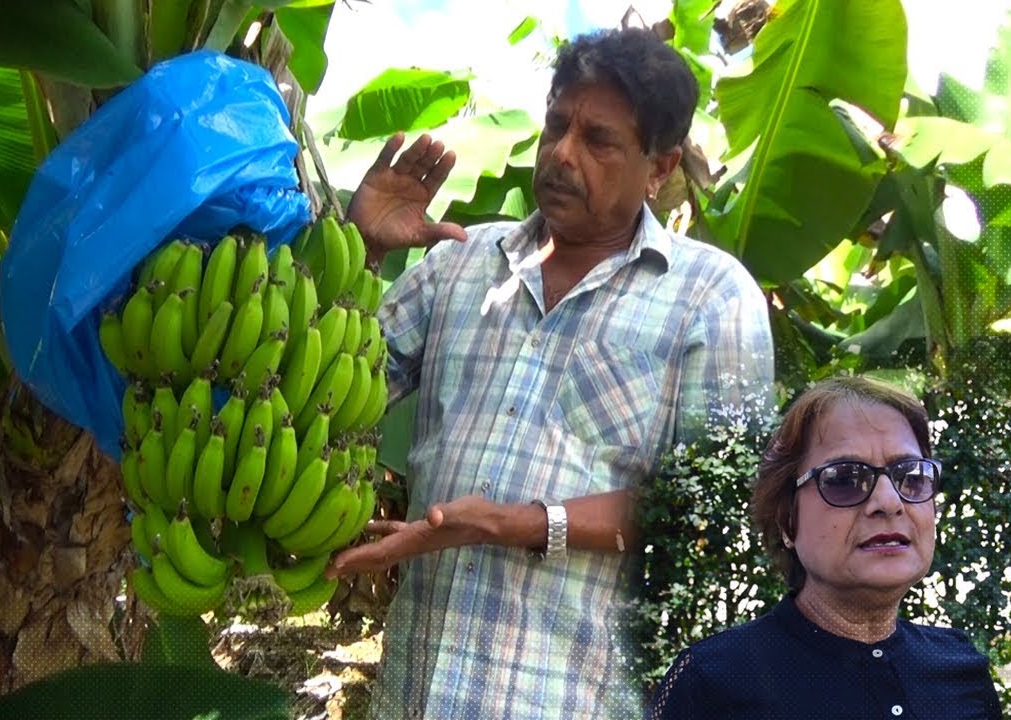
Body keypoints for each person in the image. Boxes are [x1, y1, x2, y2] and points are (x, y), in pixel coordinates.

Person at [325, 26, 775, 719]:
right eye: (557, 125)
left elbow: (710, 508)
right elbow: (332, 399)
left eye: (598, 140)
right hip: (417, 692)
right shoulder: (459, 262)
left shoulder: (710, 297)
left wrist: (511, 523)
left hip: (571, 697)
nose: (563, 153)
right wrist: (361, 253)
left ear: (659, 169)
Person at [647, 375, 1004, 719]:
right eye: (845, 479)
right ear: (788, 519)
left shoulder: (960, 669)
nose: (888, 501)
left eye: (911, 476)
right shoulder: (714, 681)